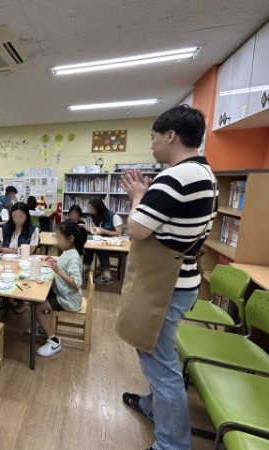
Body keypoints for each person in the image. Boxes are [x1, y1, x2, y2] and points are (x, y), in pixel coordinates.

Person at [118, 105, 216, 450]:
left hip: (165, 286)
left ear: (171, 135)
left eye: (154, 137)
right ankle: (151, 406)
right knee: (158, 354)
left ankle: (171, 444)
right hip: (183, 279)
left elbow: (137, 228)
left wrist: (138, 197)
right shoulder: (204, 173)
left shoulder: (177, 176)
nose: (153, 144)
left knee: (161, 365)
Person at [32, 220, 87, 357]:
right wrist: (55, 263)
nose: (56, 240)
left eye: (58, 237)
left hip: (68, 299)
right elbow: (64, 268)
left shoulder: (73, 257)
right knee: (39, 294)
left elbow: (76, 283)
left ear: (70, 239)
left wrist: (57, 270)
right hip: (63, 293)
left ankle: (53, 340)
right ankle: (44, 327)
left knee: (37, 307)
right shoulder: (68, 252)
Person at [0, 202, 39, 313]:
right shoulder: (6, 227)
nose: (17, 219)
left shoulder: (32, 229)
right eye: (14, 216)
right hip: (6, 259)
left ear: (26, 216)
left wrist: (9, 250)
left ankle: (21, 301)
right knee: (0, 275)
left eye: (21, 216)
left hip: (23, 260)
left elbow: (31, 251)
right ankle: (5, 297)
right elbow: (2, 244)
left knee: (20, 278)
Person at [82, 197, 124, 284]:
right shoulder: (97, 216)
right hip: (101, 240)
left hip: (112, 243)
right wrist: (90, 229)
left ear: (99, 208)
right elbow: (98, 230)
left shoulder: (114, 217)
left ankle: (107, 276)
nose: (91, 211)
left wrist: (104, 231)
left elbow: (119, 232)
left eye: (92, 209)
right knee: (88, 247)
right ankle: (87, 270)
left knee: (101, 249)